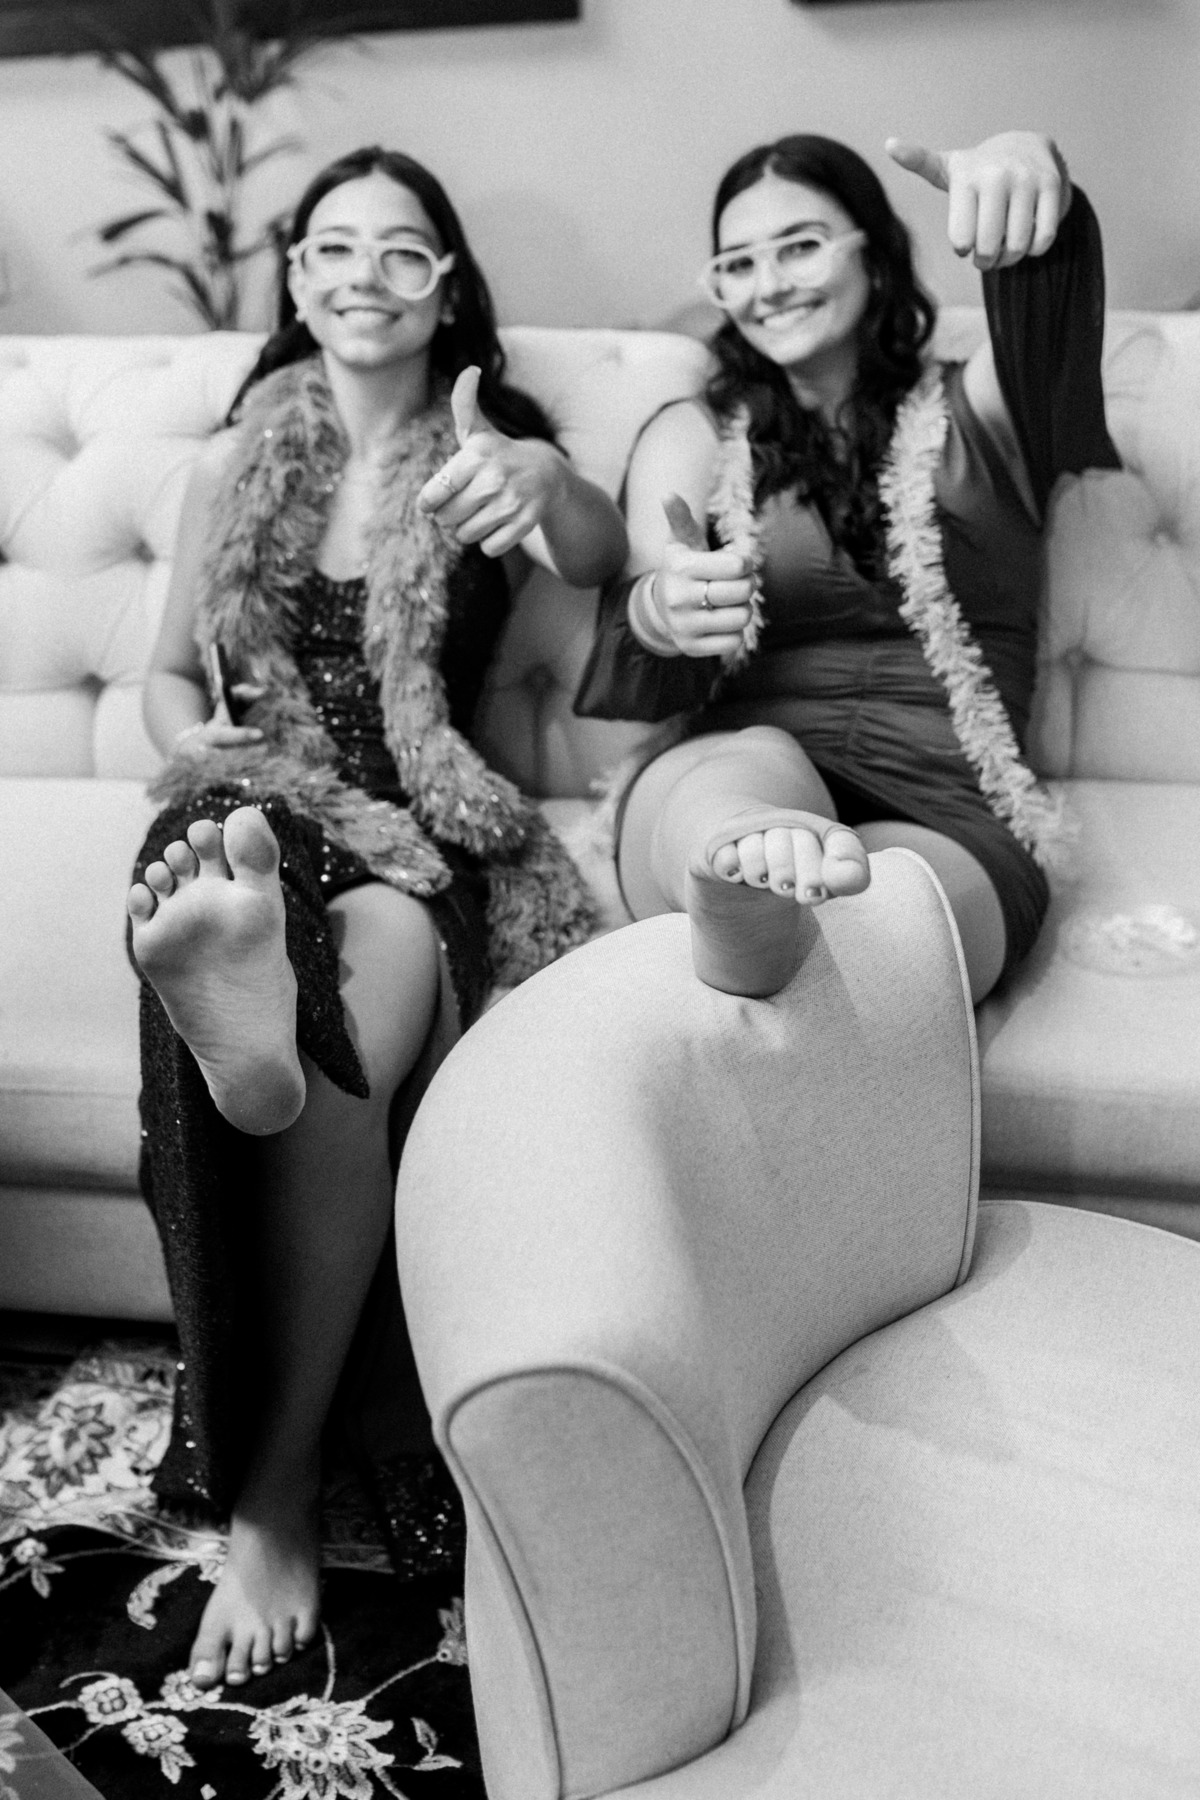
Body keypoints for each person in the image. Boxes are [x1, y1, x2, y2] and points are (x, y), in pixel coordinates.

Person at [125, 145, 627, 1691]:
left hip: (417, 837)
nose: (365, 276)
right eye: (333, 248)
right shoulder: (231, 466)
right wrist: (194, 737)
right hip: (258, 807)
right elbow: (165, 678)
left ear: (446, 286)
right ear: (296, 279)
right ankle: (251, 1002)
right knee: (234, 864)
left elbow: (599, 553)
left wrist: (543, 481)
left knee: (377, 982)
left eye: (402, 250)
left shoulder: (485, 455)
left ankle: (272, 1068)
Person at [575, 130, 1120, 1003]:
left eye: (799, 246)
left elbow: (1050, 318)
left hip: (947, 801)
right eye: (738, 264)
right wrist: (658, 614)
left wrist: (1034, 178)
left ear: (876, 250)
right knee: (757, 768)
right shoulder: (695, 432)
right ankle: (744, 876)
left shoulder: (982, 408)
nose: (769, 285)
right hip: (721, 773)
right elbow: (638, 626)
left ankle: (774, 956)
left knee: (892, 929)